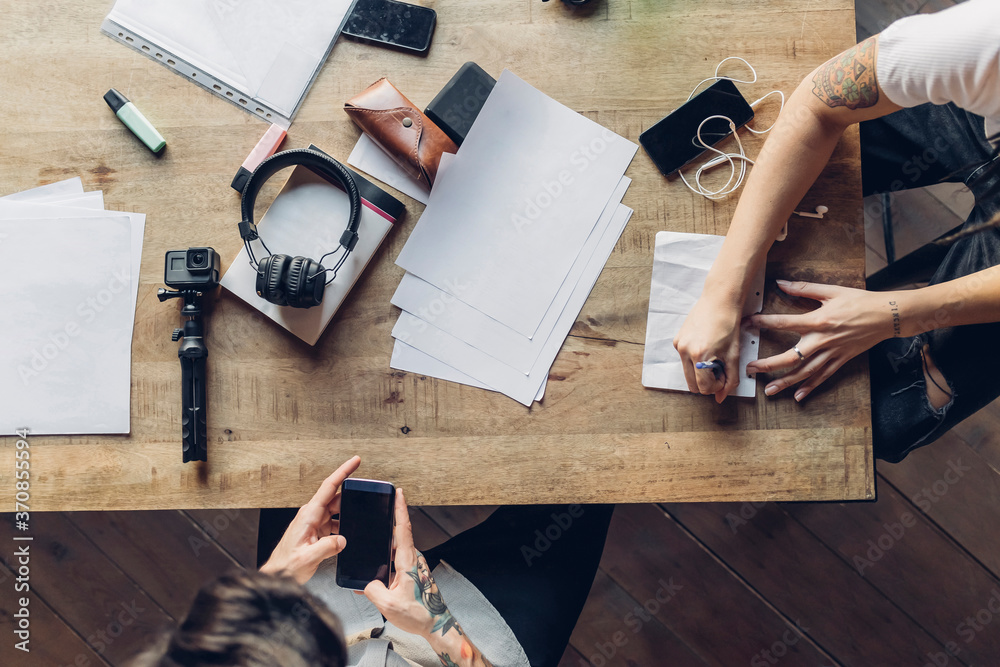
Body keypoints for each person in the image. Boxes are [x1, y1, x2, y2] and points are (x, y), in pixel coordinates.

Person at [673, 0, 1000, 463]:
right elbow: (817, 108)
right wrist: (721, 292)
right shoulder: (982, 40)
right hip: (983, 117)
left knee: (885, 415)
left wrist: (892, 314)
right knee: (779, 169)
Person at [135, 456, 614, 667]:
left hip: (306, 603)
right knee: (591, 485)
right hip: (471, 637)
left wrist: (272, 585)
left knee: (306, 434)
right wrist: (437, 625)